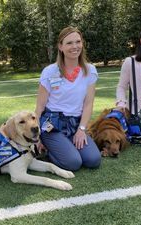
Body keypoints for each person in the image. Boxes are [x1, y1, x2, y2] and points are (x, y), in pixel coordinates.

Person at [35, 26, 101, 171]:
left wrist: (81, 130)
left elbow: (88, 104)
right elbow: (40, 106)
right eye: (69, 43)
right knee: (73, 163)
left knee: (93, 160)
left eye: (78, 42)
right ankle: (49, 149)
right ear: (61, 46)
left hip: (75, 124)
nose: (75, 46)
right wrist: (37, 136)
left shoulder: (90, 70)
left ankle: (65, 145)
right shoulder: (50, 71)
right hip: (51, 125)